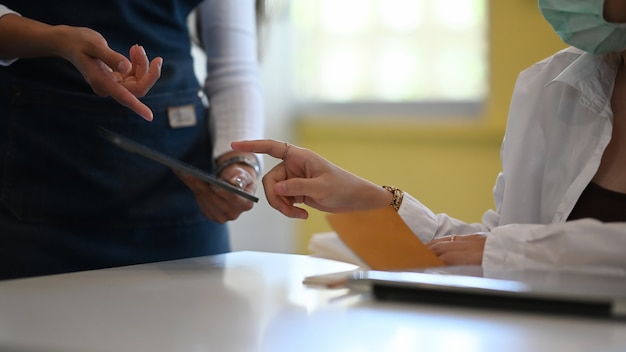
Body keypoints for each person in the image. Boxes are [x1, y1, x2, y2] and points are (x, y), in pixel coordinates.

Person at [233, 0, 626, 274]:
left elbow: (507, 252)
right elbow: (489, 249)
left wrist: (505, 251)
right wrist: (372, 200)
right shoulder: (549, 87)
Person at [0, 0, 264, 280]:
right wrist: (56, 39)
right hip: (39, 195)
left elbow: (234, 71)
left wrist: (239, 163)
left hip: (181, 211)